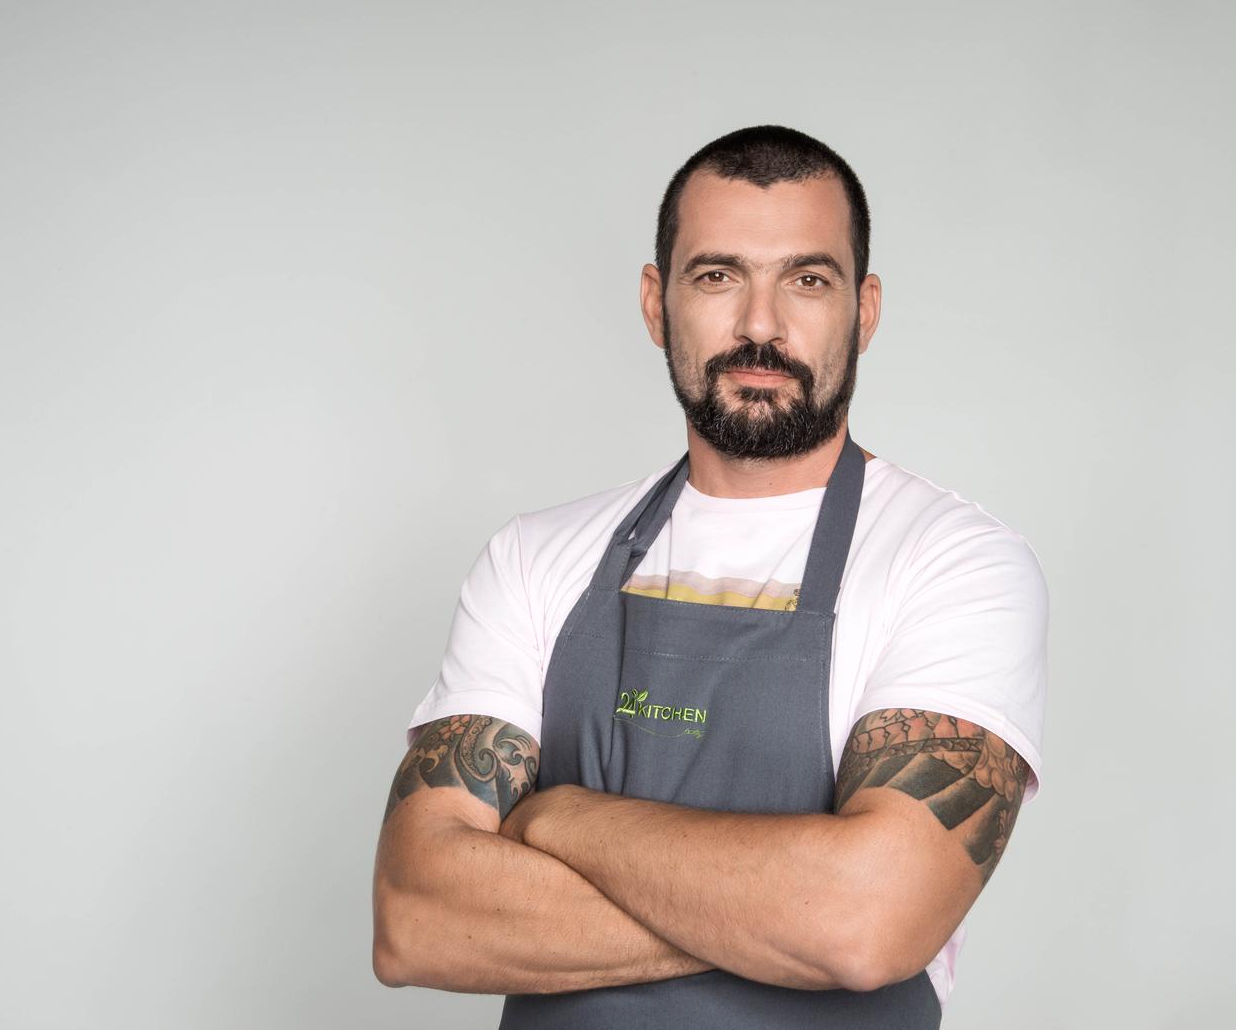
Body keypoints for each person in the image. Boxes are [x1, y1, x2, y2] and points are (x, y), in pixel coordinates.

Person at [372, 125, 1049, 1028]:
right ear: (657, 304)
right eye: (718, 276)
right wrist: (784, 913)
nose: (761, 326)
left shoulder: (954, 563)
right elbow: (416, 920)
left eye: (807, 280)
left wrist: (559, 817)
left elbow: (867, 923)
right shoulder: (534, 558)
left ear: (865, 310)